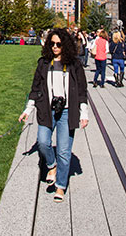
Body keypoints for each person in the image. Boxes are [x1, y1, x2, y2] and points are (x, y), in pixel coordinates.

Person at [19, 28, 89, 201]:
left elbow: (81, 90)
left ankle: (60, 186)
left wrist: (84, 112)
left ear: (65, 45)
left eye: (59, 44)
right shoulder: (43, 63)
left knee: (64, 151)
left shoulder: (74, 64)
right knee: (43, 142)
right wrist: (28, 109)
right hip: (47, 110)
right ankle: (51, 165)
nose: (55, 47)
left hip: (67, 111)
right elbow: (35, 88)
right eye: (52, 44)